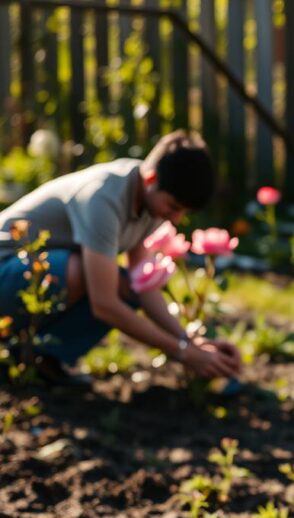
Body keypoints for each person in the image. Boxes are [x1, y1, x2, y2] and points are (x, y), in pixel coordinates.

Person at [0, 130, 242, 388]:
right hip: (6, 267)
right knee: (83, 273)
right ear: (151, 179)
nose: (176, 219)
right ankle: (18, 352)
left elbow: (142, 286)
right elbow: (103, 304)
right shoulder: (103, 197)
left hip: (29, 275)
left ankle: (39, 359)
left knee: (126, 287)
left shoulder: (147, 199)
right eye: (173, 207)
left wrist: (191, 342)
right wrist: (182, 352)